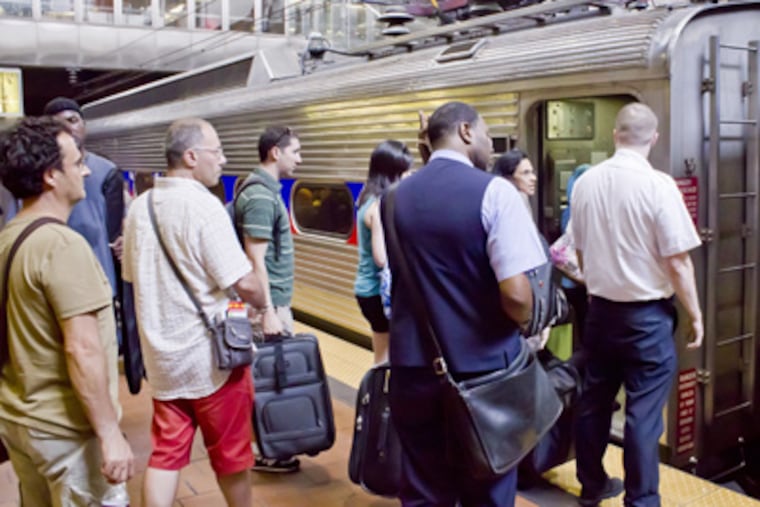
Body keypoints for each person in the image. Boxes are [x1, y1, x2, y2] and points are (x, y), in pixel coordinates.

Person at [385, 101, 546, 506]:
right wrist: (528, 324)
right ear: (466, 131)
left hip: (411, 369)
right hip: (485, 373)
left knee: (423, 489)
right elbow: (515, 294)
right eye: (488, 135)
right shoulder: (496, 193)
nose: (491, 146)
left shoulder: (393, 198)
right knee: (488, 487)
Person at [122, 118, 267, 507]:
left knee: (166, 454)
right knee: (231, 455)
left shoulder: (140, 207)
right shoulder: (203, 206)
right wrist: (262, 304)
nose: (222, 159)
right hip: (213, 361)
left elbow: (133, 276)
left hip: (164, 361)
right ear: (190, 156)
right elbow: (244, 282)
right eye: (216, 151)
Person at [571, 102, 703, 507]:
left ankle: (592, 484)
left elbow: (577, 249)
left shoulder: (586, 183)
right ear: (654, 138)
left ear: (615, 135)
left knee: (593, 403)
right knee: (642, 417)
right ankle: (641, 501)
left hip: (599, 315)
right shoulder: (659, 186)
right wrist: (696, 315)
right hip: (646, 319)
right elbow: (678, 262)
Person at [0, 116, 134, 505]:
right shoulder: (62, 245)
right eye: (77, 163)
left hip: (20, 420)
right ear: (51, 177)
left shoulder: (8, 239)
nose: (86, 169)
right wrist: (109, 434)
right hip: (66, 433)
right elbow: (82, 349)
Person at [235, 125, 301, 473]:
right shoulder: (260, 196)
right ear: (276, 152)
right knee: (268, 378)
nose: (300, 159)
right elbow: (254, 258)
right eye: (295, 152)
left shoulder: (264, 191)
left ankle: (269, 444)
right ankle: (266, 450)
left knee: (270, 376)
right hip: (269, 304)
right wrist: (267, 310)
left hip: (271, 301)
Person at [43, 97, 126, 346]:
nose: (69, 128)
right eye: (59, 124)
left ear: (84, 125)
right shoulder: (37, 173)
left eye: (73, 120)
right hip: (54, 281)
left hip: (99, 281)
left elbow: (113, 232)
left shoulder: (106, 172)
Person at [354, 140, 413, 364]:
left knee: (381, 354)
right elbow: (381, 258)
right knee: (385, 358)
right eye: (404, 172)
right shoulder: (379, 206)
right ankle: (379, 396)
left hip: (366, 290)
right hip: (376, 292)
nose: (409, 176)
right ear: (391, 173)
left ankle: (378, 395)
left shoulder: (366, 197)